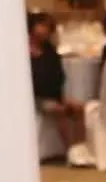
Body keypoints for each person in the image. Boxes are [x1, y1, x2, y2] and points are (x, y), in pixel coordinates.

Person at [29, 10, 85, 151]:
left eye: (48, 27)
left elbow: (59, 76)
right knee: (60, 111)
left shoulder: (50, 52)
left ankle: (80, 148)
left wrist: (61, 97)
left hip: (54, 94)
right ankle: (69, 150)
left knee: (79, 109)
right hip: (36, 97)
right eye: (42, 26)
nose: (45, 30)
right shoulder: (24, 52)